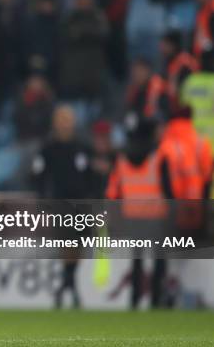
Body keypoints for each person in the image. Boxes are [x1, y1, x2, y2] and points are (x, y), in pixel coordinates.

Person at [31, 105, 94, 308]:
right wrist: (43, 201)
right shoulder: (48, 148)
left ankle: (67, 284)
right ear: (55, 123)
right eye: (61, 119)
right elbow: (38, 176)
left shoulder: (82, 147)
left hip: (82, 202)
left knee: (81, 243)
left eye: (68, 119)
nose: (65, 123)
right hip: (60, 201)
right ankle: (70, 285)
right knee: (67, 242)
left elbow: (90, 175)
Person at [106, 116, 169, 308]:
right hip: (156, 214)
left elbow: (113, 190)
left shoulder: (122, 157)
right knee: (159, 259)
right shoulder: (158, 155)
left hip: (132, 214)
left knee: (137, 260)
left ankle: (134, 300)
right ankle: (156, 300)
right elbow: (168, 188)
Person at [160, 30, 199, 98]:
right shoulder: (171, 61)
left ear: (173, 45)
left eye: (165, 44)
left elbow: (185, 86)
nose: (162, 48)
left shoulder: (184, 62)